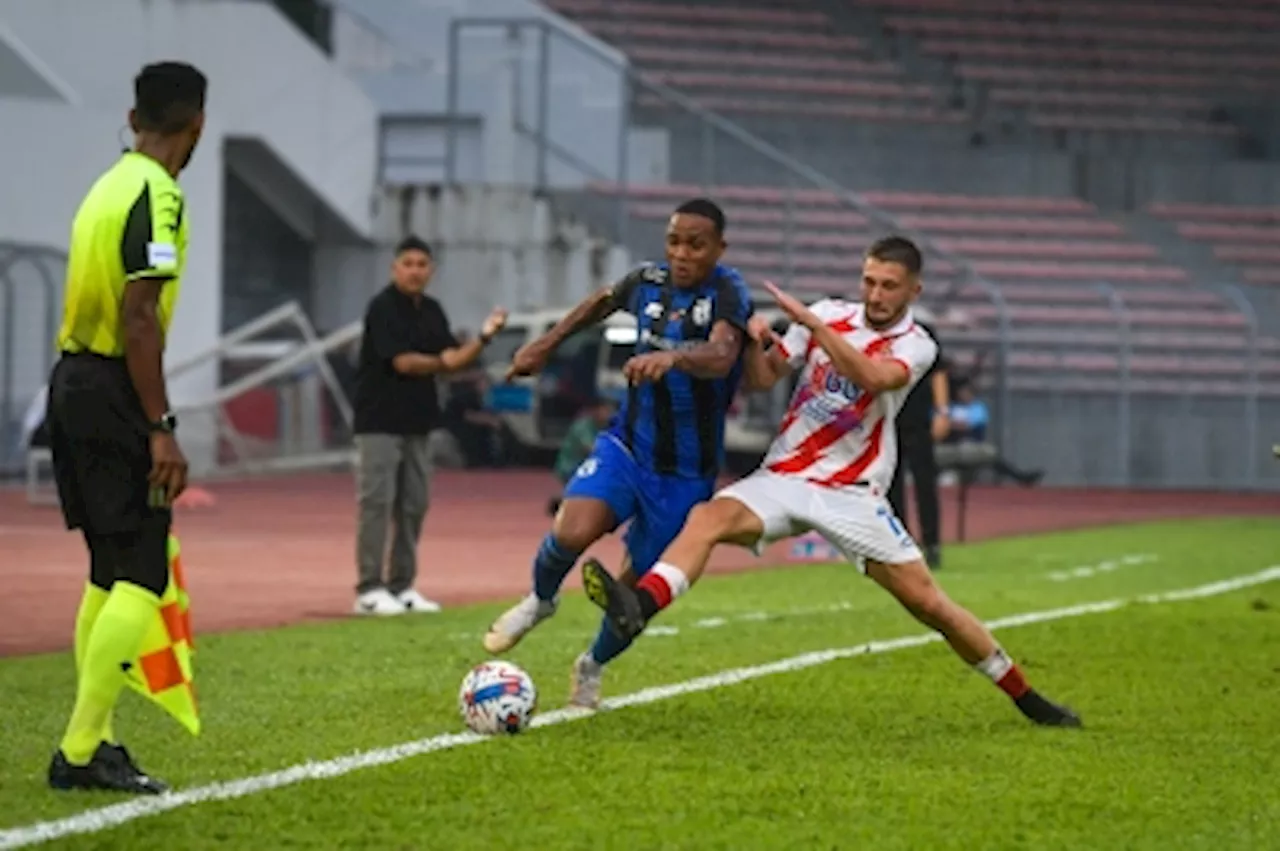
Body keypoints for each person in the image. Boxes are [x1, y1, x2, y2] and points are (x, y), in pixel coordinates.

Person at [581, 237, 1081, 728]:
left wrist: (814, 326)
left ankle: (1026, 696)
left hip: (852, 492)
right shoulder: (828, 314)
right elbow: (762, 379)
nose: (876, 294)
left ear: (914, 292)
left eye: (889, 285)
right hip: (785, 474)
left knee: (931, 605)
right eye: (869, 281)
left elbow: (872, 377)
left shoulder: (917, 344)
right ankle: (638, 606)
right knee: (706, 519)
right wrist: (761, 342)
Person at [482, 198, 754, 709]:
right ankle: (540, 601)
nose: (682, 253)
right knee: (571, 529)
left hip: (684, 475)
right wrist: (547, 343)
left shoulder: (727, 293)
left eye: (696, 244)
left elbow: (721, 356)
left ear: (719, 248)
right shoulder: (647, 281)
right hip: (628, 445)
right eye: (674, 241)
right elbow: (601, 302)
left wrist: (672, 357)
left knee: (632, 597)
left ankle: (591, 666)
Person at [44, 62, 208, 795]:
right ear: (195, 124)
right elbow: (140, 315)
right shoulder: (159, 193)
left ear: (132, 114)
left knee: (109, 570)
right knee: (142, 569)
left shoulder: (105, 187)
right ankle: (80, 749)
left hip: (72, 382)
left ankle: (99, 739)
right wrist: (160, 426)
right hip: (113, 388)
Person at [352, 236, 507, 616]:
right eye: (408, 263)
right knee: (377, 503)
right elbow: (404, 363)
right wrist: (443, 362)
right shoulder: (382, 308)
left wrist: (486, 336)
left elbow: (454, 359)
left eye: (422, 264)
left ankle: (402, 585)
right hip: (379, 421)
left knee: (413, 505)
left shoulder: (433, 311)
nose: (415, 271)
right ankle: (369, 589)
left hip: (418, 422)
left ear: (431, 271)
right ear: (395, 268)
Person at [887, 318, 950, 569]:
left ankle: (932, 542)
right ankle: (898, 545)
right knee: (891, 487)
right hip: (888, 420)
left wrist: (942, 411)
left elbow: (938, 372)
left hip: (919, 419)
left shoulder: (921, 331)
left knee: (925, 483)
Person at [546, 396, 618, 517]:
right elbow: (592, 449)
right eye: (605, 410)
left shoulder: (607, 426)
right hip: (571, 466)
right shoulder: (582, 426)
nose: (609, 414)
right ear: (595, 411)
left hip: (587, 465)